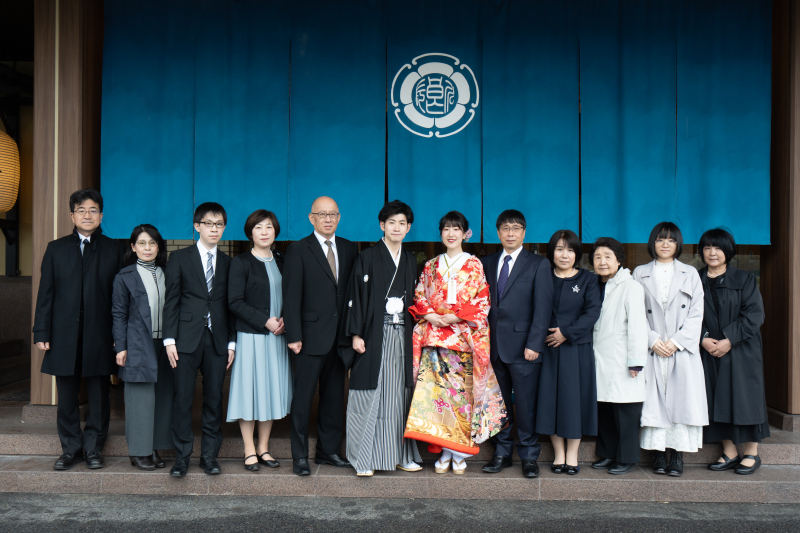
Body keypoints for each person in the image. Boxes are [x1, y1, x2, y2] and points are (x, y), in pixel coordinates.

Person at [404, 211, 506, 475]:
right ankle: (444, 450)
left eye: (456, 229)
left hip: (462, 339)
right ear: (441, 234)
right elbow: (419, 294)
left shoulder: (473, 264)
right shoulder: (430, 265)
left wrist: (457, 316)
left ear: (465, 233)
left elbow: (482, 299)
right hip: (435, 338)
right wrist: (429, 314)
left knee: (461, 399)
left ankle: (458, 453)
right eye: (446, 229)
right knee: (438, 397)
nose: (451, 234)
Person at [33, 189, 124, 471]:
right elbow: (46, 293)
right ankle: (71, 449)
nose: (87, 215)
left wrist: (119, 337)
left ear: (101, 216)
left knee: (99, 395)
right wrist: (41, 331)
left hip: (101, 333)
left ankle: (93, 448)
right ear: (72, 215)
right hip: (63, 333)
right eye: (81, 210)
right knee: (67, 396)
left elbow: (120, 298)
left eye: (93, 210)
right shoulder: (56, 248)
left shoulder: (114, 249)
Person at [339, 200, 422, 477]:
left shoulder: (410, 259)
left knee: (400, 395)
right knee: (370, 394)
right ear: (381, 225)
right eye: (391, 223)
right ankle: (364, 457)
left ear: (408, 228)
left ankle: (400, 455)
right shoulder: (367, 257)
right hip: (374, 333)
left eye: (402, 223)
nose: (396, 228)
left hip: (403, 335)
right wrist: (356, 334)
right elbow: (355, 296)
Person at [283, 196, 359, 476]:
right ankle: (300, 456)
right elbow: (291, 295)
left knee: (334, 397)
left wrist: (353, 332)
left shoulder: (349, 248)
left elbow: (352, 293)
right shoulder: (298, 249)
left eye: (333, 214)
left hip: (339, 338)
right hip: (308, 337)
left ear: (339, 217)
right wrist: (294, 334)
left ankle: (328, 451)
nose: (328, 219)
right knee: (302, 398)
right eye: (322, 214)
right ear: (311, 218)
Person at [163, 202, 236, 477]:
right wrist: (169, 340)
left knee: (214, 398)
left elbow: (230, 305)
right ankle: (182, 457)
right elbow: (171, 301)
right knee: (182, 398)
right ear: (197, 226)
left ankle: (209, 456)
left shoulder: (229, 263)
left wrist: (231, 343)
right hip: (184, 339)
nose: (214, 229)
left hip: (217, 339)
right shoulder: (179, 258)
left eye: (219, 224)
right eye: (208, 224)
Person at [479, 210, 553, 478]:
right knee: (497, 403)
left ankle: (529, 456)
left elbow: (543, 308)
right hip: (491, 347)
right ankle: (501, 453)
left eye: (516, 228)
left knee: (525, 404)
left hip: (524, 348)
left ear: (524, 232)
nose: (510, 233)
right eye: (505, 228)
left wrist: (535, 344)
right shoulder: (485, 263)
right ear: (498, 232)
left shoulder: (538, 264)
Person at [633, 222, 707, 477]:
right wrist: (652, 339)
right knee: (654, 400)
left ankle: (676, 454)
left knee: (680, 400)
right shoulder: (640, 272)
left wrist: (676, 342)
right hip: (653, 348)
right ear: (652, 243)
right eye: (660, 239)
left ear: (678, 244)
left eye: (671, 240)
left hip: (680, 349)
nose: (665, 244)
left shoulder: (690, 273)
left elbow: (697, 313)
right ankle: (657, 453)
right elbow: (635, 311)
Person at [698, 228, 768, 475]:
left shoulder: (744, 279)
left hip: (741, 348)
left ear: (728, 251)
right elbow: (686, 315)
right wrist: (702, 338)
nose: (712, 252)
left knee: (745, 398)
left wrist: (729, 340)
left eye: (718, 248)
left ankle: (752, 453)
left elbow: (754, 314)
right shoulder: (695, 279)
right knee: (716, 398)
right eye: (707, 247)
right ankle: (729, 451)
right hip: (709, 349)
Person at [227, 210, 291, 471]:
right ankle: (249, 449)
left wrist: (286, 319)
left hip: (277, 338)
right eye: (258, 227)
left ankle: (263, 448)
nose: (264, 232)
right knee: (250, 393)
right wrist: (265, 321)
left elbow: (292, 295)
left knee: (270, 392)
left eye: (269, 227)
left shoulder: (282, 261)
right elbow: (234, 302)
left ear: (276, 231)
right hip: (252, 337)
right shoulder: (241, 262)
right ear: (250, 233)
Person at [535, 229, 601, 476]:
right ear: (551, 252)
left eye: (570, 250)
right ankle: (558, 454)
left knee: (574, 401)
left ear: (577, 254)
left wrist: (566, 333)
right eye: (560, 249)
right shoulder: (542, 276)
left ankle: (572, 454)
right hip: (548, 348)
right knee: (549, 400)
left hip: (576, 349)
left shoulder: (588, 279)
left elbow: (592, 312)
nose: (565, 255)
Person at [111, 224, 172, 471]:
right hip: (138, 343)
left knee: (163, 397)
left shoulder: (167, 273)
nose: (148, 248)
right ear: (133, 247)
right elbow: (119, 314)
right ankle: (138, 451)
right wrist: (121, 347)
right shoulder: (125, 276)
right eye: (142, 243)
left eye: (152, 243)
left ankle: (154, 447)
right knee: (140, 398)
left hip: (166, 344)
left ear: (159, 247)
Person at [590, 237, 648, 475]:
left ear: (619, 260)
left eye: (607, 257)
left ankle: (627, 458)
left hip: (621, 359)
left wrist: (636, 361)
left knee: (625, 411)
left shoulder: (630, 286)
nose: (602, 262)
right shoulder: (595, 285)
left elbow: (638, 326)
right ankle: (608, 453)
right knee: (604, 408)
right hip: (600, 358)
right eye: (597, 257)